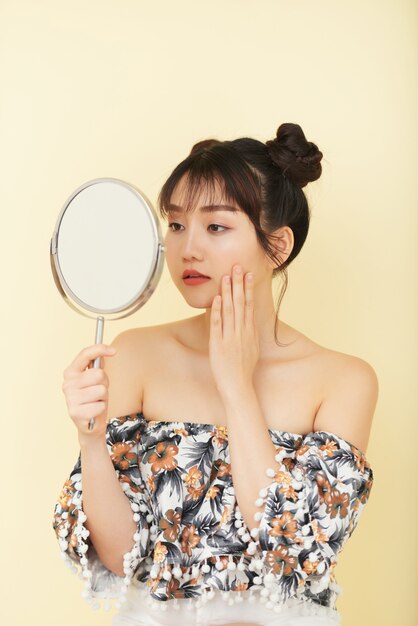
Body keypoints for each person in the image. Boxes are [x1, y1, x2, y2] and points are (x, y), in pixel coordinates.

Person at [53, 123, 378, 626]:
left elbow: (289, 553)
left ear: (278, 245)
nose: (188, 250)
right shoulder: (135, 353)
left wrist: (236, 386)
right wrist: (91, 442)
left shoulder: (343, 381)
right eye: (177, 225)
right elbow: (120, 560)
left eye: (217, 227)